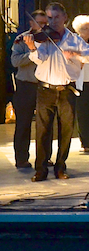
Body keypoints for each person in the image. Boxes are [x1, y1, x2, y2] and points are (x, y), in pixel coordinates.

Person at [24, 2, 89, 181]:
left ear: (65, 18)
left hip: (67, 90)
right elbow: (40, 59)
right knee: (42, 131)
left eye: (56, 17)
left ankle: (61, 167)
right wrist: (32, 48)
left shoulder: (75, 40)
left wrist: (75, 55)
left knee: (66, 131)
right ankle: (40, 169)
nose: (52, 21)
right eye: (49, 18)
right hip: (46, 89)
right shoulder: (43, 37)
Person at [10, 9, 49, 169]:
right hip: (26, 84)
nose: (42, 26)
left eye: (44, 23)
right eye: (39, 23)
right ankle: (21, 158)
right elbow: (15, 61)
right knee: (24, 123)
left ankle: (44, 157)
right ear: (31, 23)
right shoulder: (21, 39)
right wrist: (33, 54)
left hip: (44, 85)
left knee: (46, 124)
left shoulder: (51, 38)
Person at [71, 15, 89, 154]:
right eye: (86, 28)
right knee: (83, 113)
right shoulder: (74, 42)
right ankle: (86, 142)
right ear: (79, 31)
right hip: (80, 81)